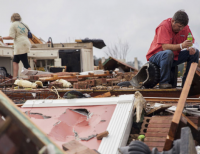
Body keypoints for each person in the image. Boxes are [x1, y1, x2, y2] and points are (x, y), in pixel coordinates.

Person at [146, 10, 199, 89]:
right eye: (179, 26)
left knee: (195, 53)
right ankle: (164, 82)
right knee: (168, 53)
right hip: (156, 56)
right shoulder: (164, 26)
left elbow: (192, 42)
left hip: (173, 56)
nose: (181, 29)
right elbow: (165, 47)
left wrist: (192, 47)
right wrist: (181, 46)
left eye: (183, 27)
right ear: (173, 21)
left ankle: (187, 83)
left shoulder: (185, 28)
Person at [0, 13, 31, 78]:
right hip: (26, 43)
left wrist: (2, 38)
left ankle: (30, 78)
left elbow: (11, 36)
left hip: (20, 44)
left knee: (25, 64)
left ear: (12, 18)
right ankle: (14, 79)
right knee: (15, 61)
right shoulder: (25, 25)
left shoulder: (13, 25)